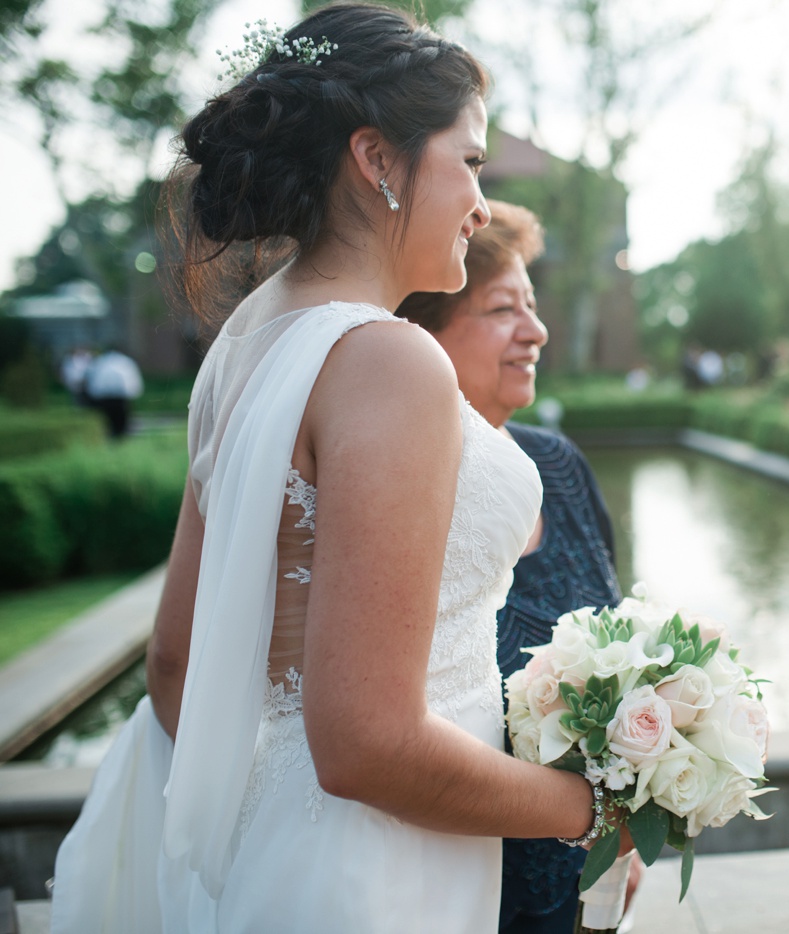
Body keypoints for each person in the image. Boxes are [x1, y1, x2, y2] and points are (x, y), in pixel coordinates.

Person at [51, 8, 617, 931]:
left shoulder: (242, 345)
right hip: (384, 873)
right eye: (468, 162)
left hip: (275, 856)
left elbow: (173, 662)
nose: (481, 205)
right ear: (377, 158)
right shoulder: (391, 360)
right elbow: (366, 746)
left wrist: (260, 808)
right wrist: (594, 810)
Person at [397, 201, 632, 932]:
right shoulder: (395, 492)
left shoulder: (560, 467)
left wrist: (634, 827)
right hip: (452, 888)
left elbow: (621, 649)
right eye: (503, 309)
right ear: (422, 333)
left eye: (532, 306)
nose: (536, 331)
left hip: (581, 886)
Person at [84, 346, 144, 437]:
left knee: (107, 419)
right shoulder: (125, 362)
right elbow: (132, 379)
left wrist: (93, 394)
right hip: (121, 396)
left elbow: (93, 380)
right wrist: (134, 392)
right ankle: (121, 435)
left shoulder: (100, 361)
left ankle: (112, 435)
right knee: (121, 418)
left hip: (103, 397)